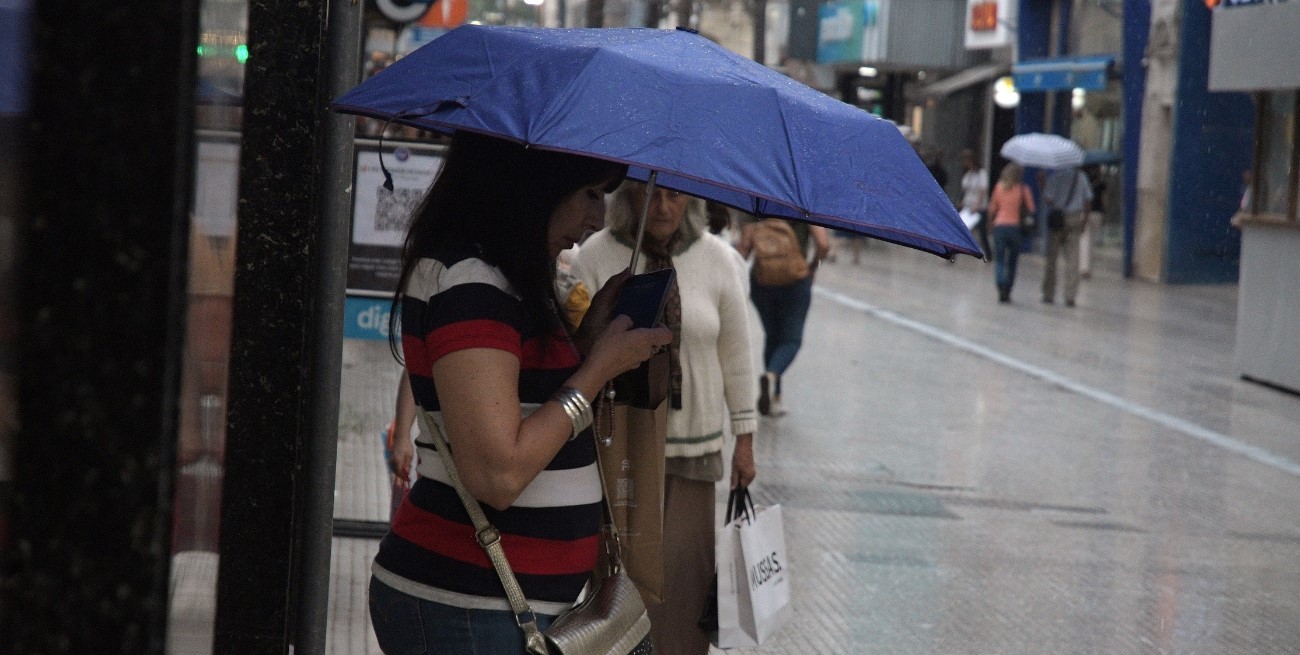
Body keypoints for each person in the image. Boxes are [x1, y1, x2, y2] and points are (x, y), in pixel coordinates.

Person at [369, 131, 672, 655]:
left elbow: (522, 403)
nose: (597, 219)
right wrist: (598, 368)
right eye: (588, 194)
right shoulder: (472, 284)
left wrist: (586, 339)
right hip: (467, 605)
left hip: (491, 606)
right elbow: (498, 474)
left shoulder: (501, 278)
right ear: (533, 186)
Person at [571, 181, 758, 655]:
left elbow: (736, 351)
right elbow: (576, 343)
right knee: (623, 583)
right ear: (630, 198)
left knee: (686, 585)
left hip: (693, 449)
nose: (664, 206)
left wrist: (745, 437)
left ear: (691, 202)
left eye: (676, 196)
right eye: (651, 194)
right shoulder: (597, 254)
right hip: (622, 449)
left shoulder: (716, 257)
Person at [737, 217, 830, 416]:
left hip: (762, 281)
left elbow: (743, 248)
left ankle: (774, 397)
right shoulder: (803, 203)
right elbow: (823, 244)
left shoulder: (760, 200)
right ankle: (771, 377)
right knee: (791, 340)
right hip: (795, 281)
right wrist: (813, 267)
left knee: (772, 337)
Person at [1040, 165, 1093, 307]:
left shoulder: (1056, 177)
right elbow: (1088, 200)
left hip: (1057, 219)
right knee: (1073, 259)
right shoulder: (1081, 177)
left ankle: (1048, 293)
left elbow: (1048, 199)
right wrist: (1085, 220)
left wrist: (1042, 184)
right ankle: (1070, 296)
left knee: (1052, 258)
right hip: (1074, 218)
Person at [986, 164, 1035, 303]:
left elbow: (992, 208)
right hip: (1015, 228)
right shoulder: (1023, 190)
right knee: (1012, 261)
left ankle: (1000, 284)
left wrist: (990, 224)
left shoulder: (999, 187)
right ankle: (1008, 288)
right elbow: (1031, 209)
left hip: (1000, 226)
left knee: (1000, 259)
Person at [959, 149, 991, 257]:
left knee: (982, 233)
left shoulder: (981, 174)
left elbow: (982, 190)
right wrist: (962, 202)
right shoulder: (968, 174)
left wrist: (978, 205)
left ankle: (988, 254)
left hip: (979, 207)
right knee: (961, 229)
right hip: (968, 206)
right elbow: (965, 190)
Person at [1079, 164, 1106, 279]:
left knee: (1084, 240)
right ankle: (1088, 268)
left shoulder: (1084, 183)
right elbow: (1105, 200)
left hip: (1084, 213)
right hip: (1097, 214)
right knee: (1092, 241)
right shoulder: (1102, 184)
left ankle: (1083, 267)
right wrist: (1104, 211)